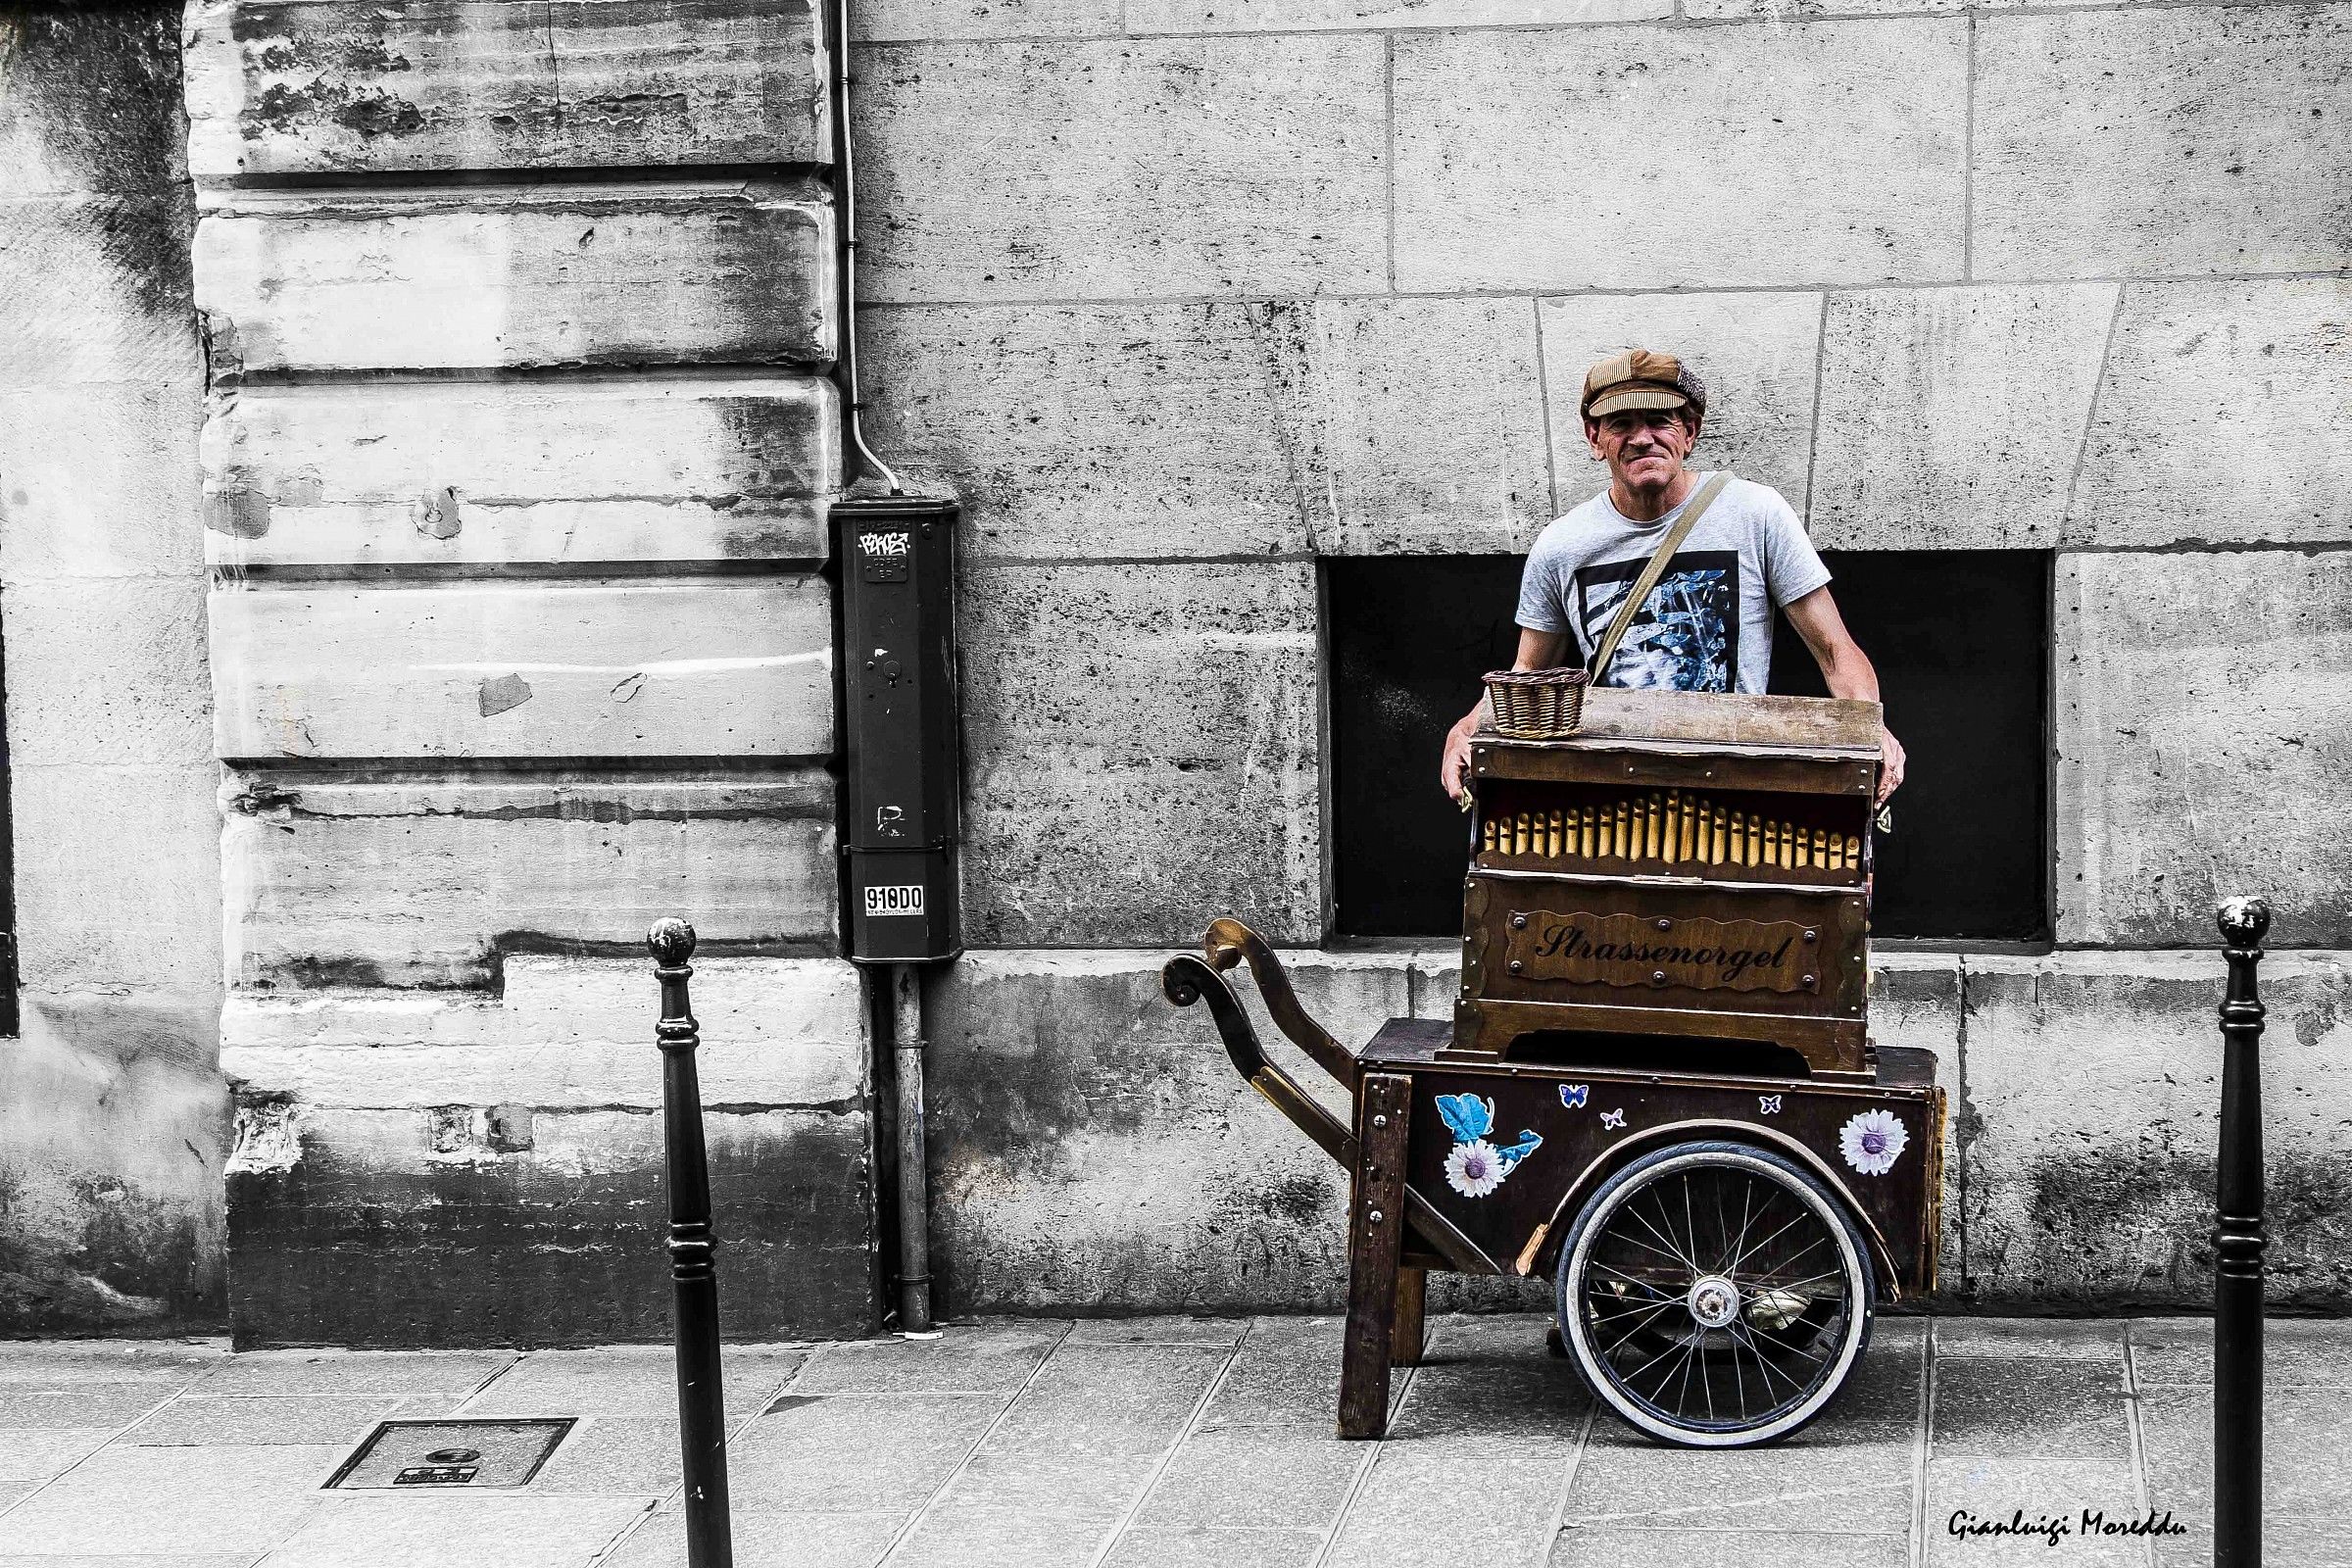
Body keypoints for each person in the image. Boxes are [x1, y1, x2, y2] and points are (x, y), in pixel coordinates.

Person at [1438, 346, 1905, 804]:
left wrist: (1869, 727)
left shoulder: (1755, 513)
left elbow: (1833, 648)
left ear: (1690, 432)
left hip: (1734, 777)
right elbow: (1527, 674)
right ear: (1594, 439)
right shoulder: (1562, 545)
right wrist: (1466, 730)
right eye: (1621, 424)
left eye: (1659, 421)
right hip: (1613, 786)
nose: (1642, 437)